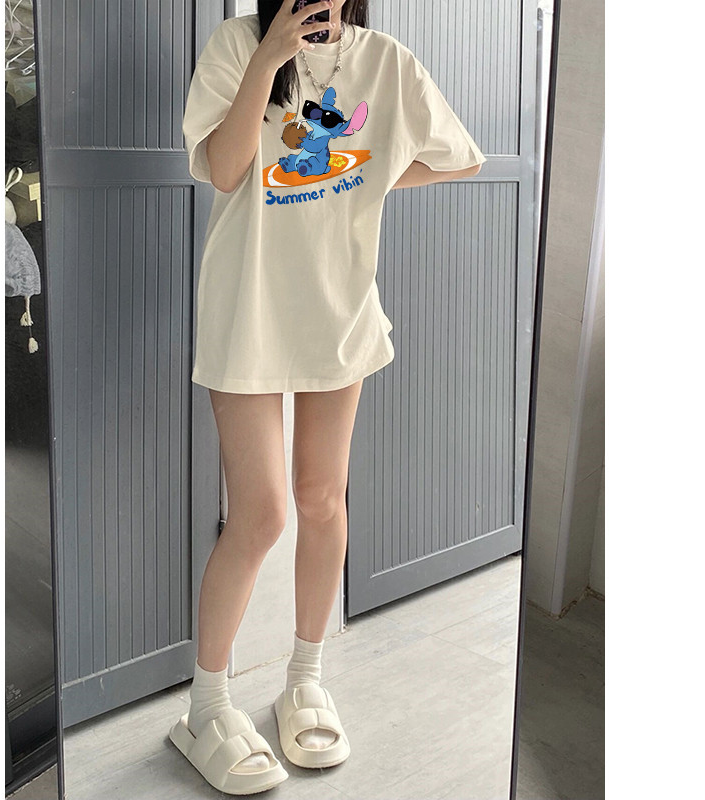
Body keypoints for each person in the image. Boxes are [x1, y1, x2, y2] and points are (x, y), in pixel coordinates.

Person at [170, 0, 486, 794]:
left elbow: (462, 158)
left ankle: (306, 676)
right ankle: (207, 704)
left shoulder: (387, 60)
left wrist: (366, 178)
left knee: (321, 498)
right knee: (261, 515)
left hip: (339, 308)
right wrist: (269, 55)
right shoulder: (236, 43)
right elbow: (225, 168)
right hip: (247, 309)